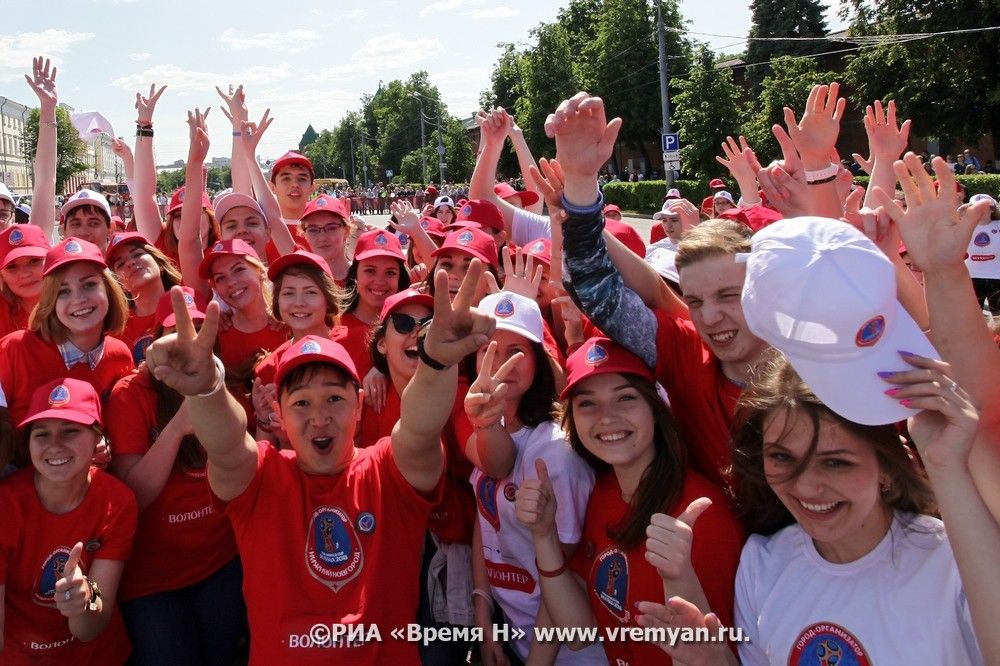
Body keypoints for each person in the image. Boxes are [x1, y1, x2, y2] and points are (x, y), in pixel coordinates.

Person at [141, 258, 497, 663]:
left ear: (360, 406)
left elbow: (419, 429)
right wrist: (206, 389)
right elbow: (225, 443)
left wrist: (436, 365)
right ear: (279, 411)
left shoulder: (388, 472)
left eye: (334, 398)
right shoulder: (261, 476)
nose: (319, 417)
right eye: (301, 403)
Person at [516, 337, 743, 666]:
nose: (606, 417)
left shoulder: (702, 517)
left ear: (655, 407)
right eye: (587, 403)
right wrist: (544, 535)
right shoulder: (604, 495)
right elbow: (579, 635)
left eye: (625, 398)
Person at [106, 289, 246, 665]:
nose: (190, 347)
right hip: (154, 580)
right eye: (177, 336)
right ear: (155, 345)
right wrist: (178, 427)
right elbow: (133, 499)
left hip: (219, 565)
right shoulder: (130, 394)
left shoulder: (221, 383)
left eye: (200, 331)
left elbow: (243, 471)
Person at [467, 291, 603, 665]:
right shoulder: (486, 429)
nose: (501, 363)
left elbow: (566, 571)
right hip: (512, 632)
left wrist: (537, 662)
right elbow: (485, 516)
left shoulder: (557, 451)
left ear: (538, 363)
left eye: (517, 351)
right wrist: (484, 615)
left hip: (566, 651)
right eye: (488, 350)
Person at [0, 378, 137, 664]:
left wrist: (83, 603)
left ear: (98, 436)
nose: (55, 445)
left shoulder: (118, 501)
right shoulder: (6, 504)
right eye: (42, 434)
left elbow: (90, 629)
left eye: (70, 431)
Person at [0, 238, 133, 445]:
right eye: (63, 292)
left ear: (109, 289)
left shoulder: (120, 355)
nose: (78, 299)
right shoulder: (14, 349)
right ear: (50, 302)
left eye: (89, 284)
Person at [336, 229, 410, 381]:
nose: (380, 282)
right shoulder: (333, 325)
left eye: (390, 273)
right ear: (355, 274)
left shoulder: (413, 327)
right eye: (370, 271)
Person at [104, 231, 183, 363]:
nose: (130, 263)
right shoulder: (116, 328)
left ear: (159, 263)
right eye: (120, 264)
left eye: (138, 254)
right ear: (120, 285)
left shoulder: (188, 303)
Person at [0, 224, 49, 338]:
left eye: (34, 260)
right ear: (2, 276)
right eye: (12, 267)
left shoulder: (76, 300)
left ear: (51, 260)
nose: (25, 274)